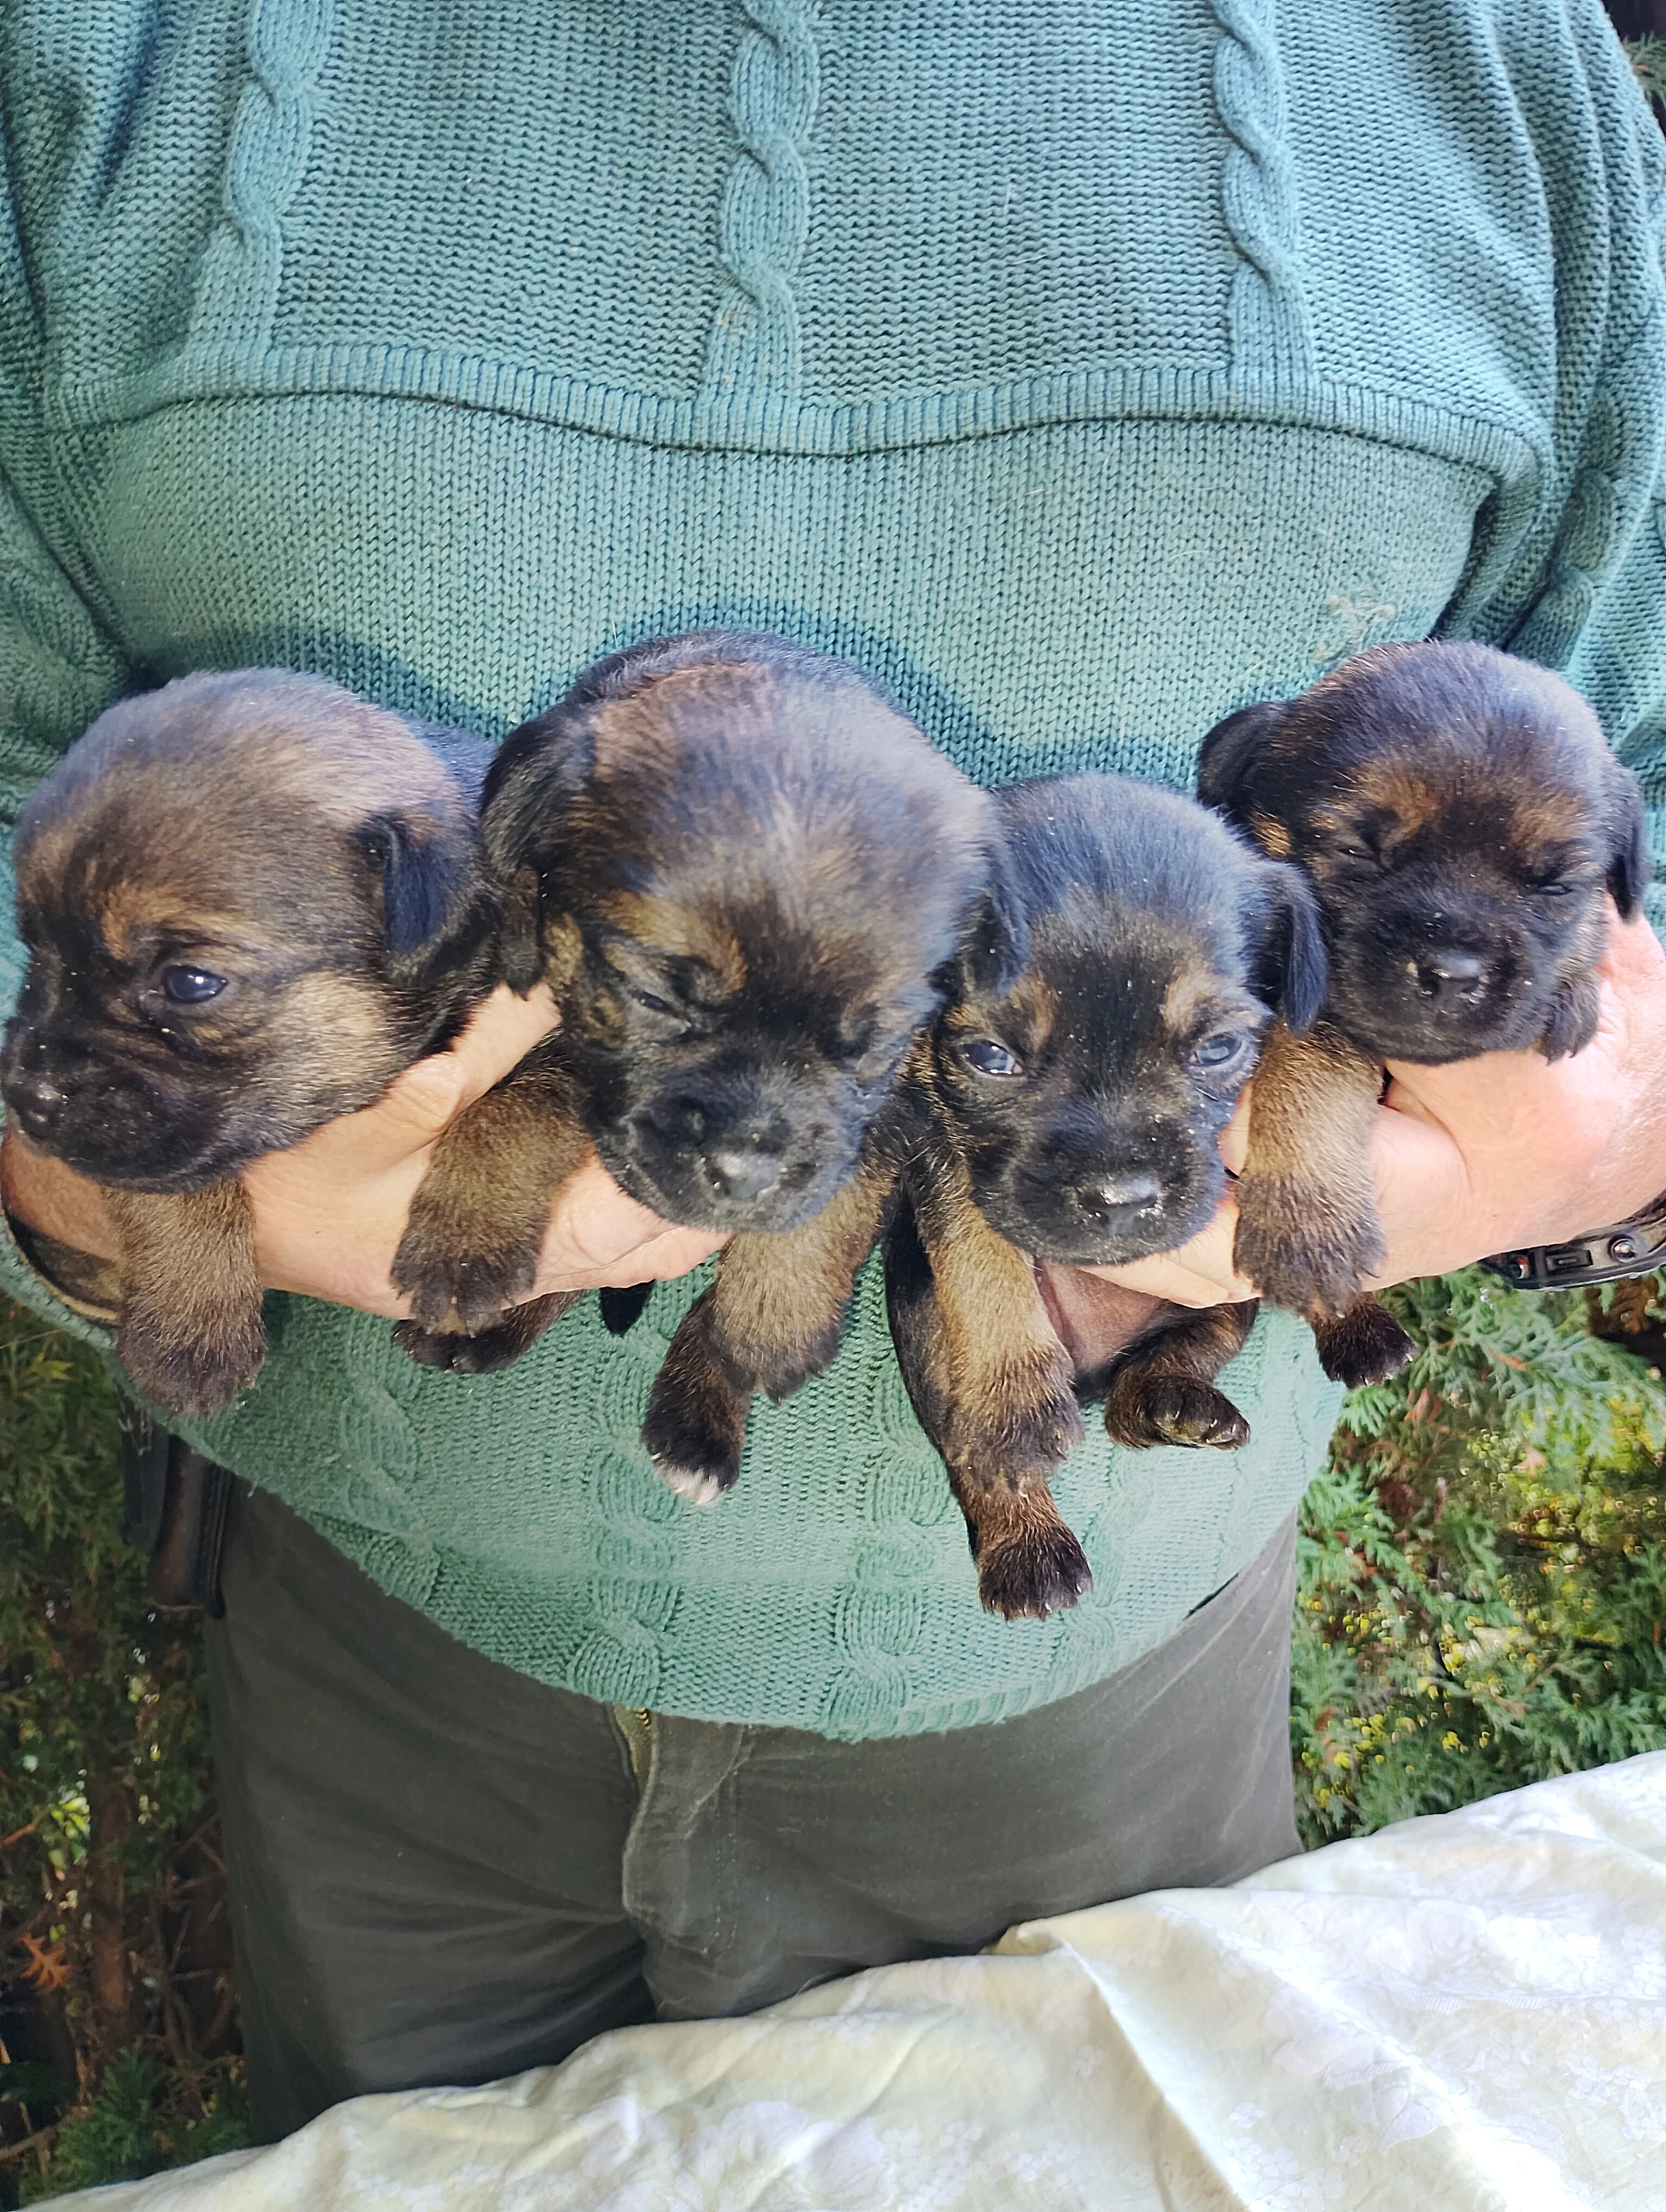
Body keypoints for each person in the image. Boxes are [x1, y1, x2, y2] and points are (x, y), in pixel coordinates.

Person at [4, 0, 1666, 2144]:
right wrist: (92, 1169)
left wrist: (1581, 1145)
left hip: (1101, 1684)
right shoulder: (95, 58)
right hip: (382, 1658)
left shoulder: (1488, 66)